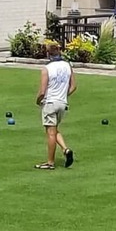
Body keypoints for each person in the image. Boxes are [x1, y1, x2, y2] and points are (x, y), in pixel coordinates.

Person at [35, 42, 76, 170]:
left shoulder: (46, 69)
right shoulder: (67, 66)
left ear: (48, 54)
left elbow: (42, 91)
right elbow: (73, 86)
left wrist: (38, 101)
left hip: (50, 103)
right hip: (62, 103)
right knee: (54, 129)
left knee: (50, 133)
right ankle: (65, 149)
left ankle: (50, 162)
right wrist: (63, 96)